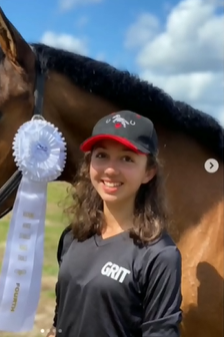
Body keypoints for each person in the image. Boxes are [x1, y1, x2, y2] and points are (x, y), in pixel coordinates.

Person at [47, 110, 183, 337]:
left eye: (127, 158)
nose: (110, 169)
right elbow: (61, 319)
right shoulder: (73, 237)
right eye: (101, 156)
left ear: (149, 172)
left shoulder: (159, 256)